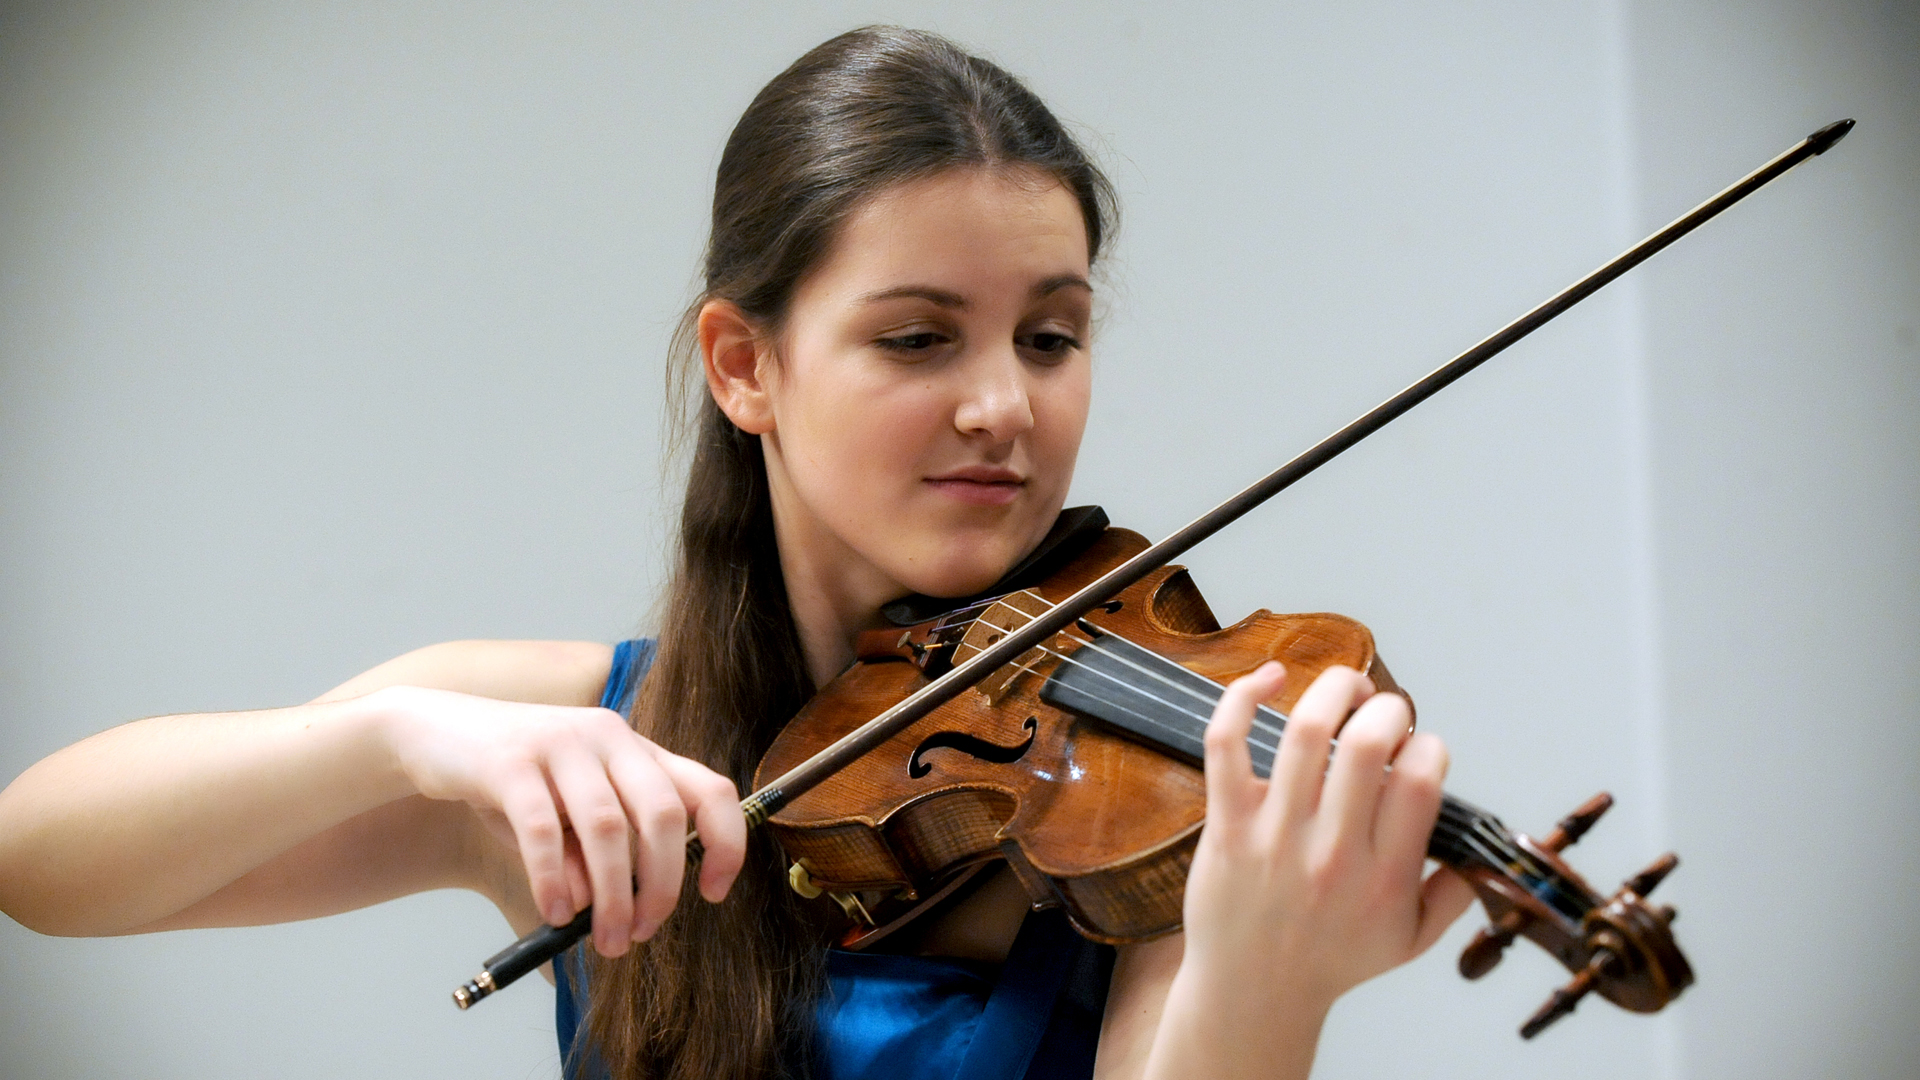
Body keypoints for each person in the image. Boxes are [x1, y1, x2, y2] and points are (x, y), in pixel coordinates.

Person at [0, 26, 1472, 1080]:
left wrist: (1262, 987)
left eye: (1052, 335)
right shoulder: (581, 746)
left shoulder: (1146, 832)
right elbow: (40, 865)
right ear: (744, 366)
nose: (1005, 407)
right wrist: (398, 737)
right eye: (916, 337)